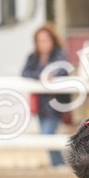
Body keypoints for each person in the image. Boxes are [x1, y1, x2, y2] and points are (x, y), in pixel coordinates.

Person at [21, 22, 70, 168]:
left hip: (56, 104)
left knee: (47, 135)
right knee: (47, 136)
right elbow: (25, 72)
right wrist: (43, 76)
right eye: (40, 40)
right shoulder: (33, 56)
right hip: (41, 104)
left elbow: (62, 70)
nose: (42, 43)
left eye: (45, 39)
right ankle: (58, 164)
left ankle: (59, 164)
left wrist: (43, 75)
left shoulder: (59, 53)